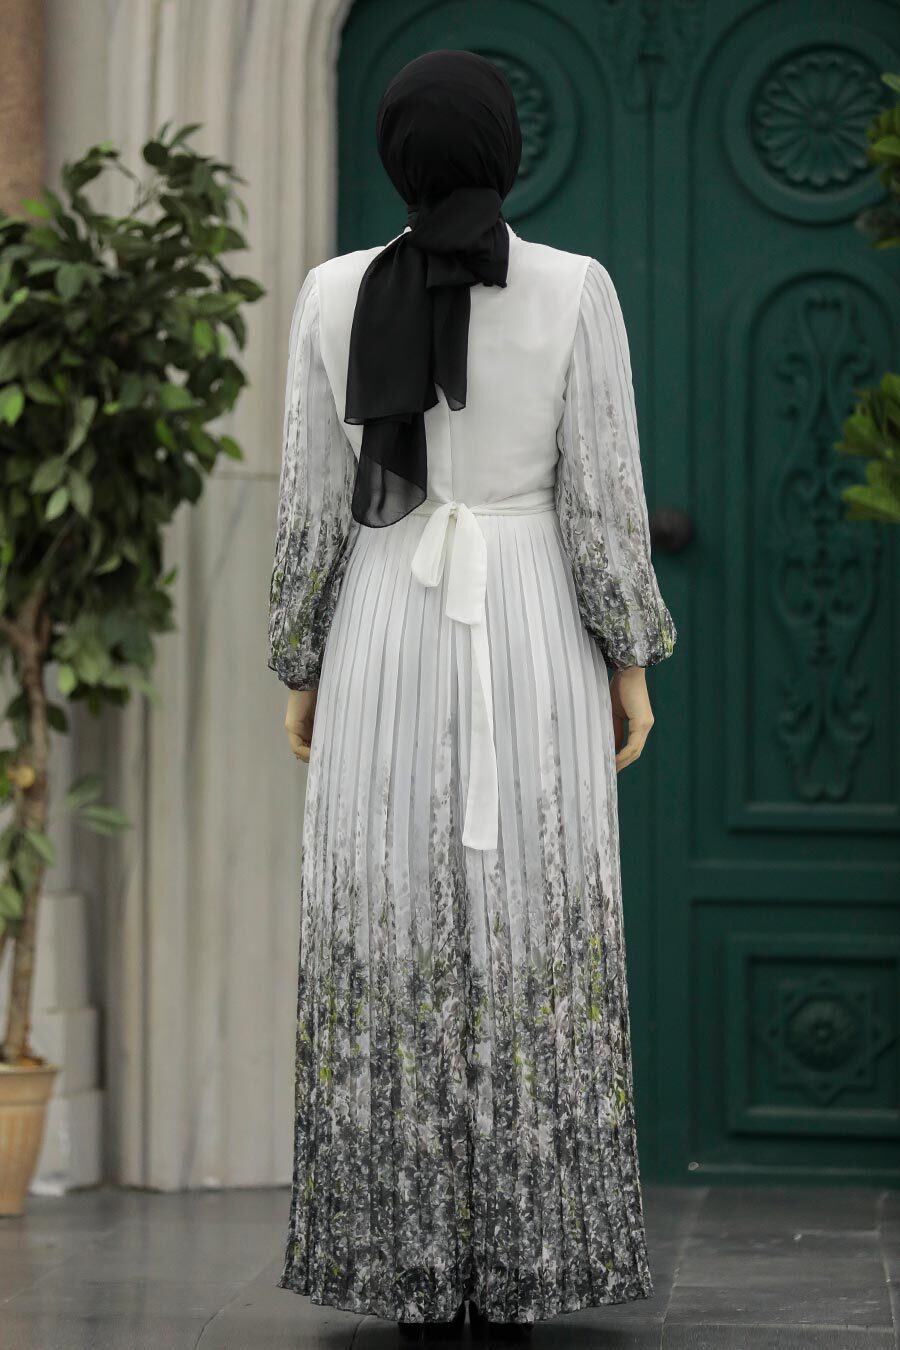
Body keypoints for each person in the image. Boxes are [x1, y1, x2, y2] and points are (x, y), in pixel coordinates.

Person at [267, 48, 676, 1342]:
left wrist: (302, 663)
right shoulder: (575, 289)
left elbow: (309, 509)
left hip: (383, 618)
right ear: (507, 149)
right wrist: (628, 659)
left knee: (388, 921)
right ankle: (526, 1263)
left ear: (394, 155)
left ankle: (402, 1266)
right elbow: (604, 499)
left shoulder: (330, 293)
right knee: (529, 916)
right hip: (530, 622)